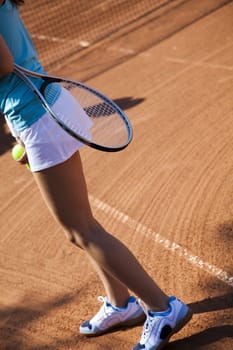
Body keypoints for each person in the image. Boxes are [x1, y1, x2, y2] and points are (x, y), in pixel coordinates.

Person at [0, 1, 192, 349]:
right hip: (41, 107)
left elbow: (2, 63)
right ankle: (121, 304)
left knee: (80, 230)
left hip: (37, 115)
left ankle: (163, 309)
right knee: (81, 227)